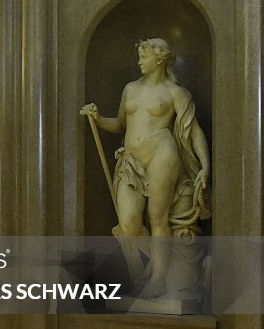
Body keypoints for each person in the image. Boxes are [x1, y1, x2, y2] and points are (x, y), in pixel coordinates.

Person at [81, 38, 210, 298]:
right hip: (131, 159)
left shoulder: (176, 93)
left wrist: (205, 167)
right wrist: (97, 118)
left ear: (159, 58)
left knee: (157, 218)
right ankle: (149, 269)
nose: (139, 60)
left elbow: (193, 131)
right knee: (128, 223)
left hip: (162, 153)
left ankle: (159, 280)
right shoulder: (130, 89)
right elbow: (119, 124)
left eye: (144, 55)